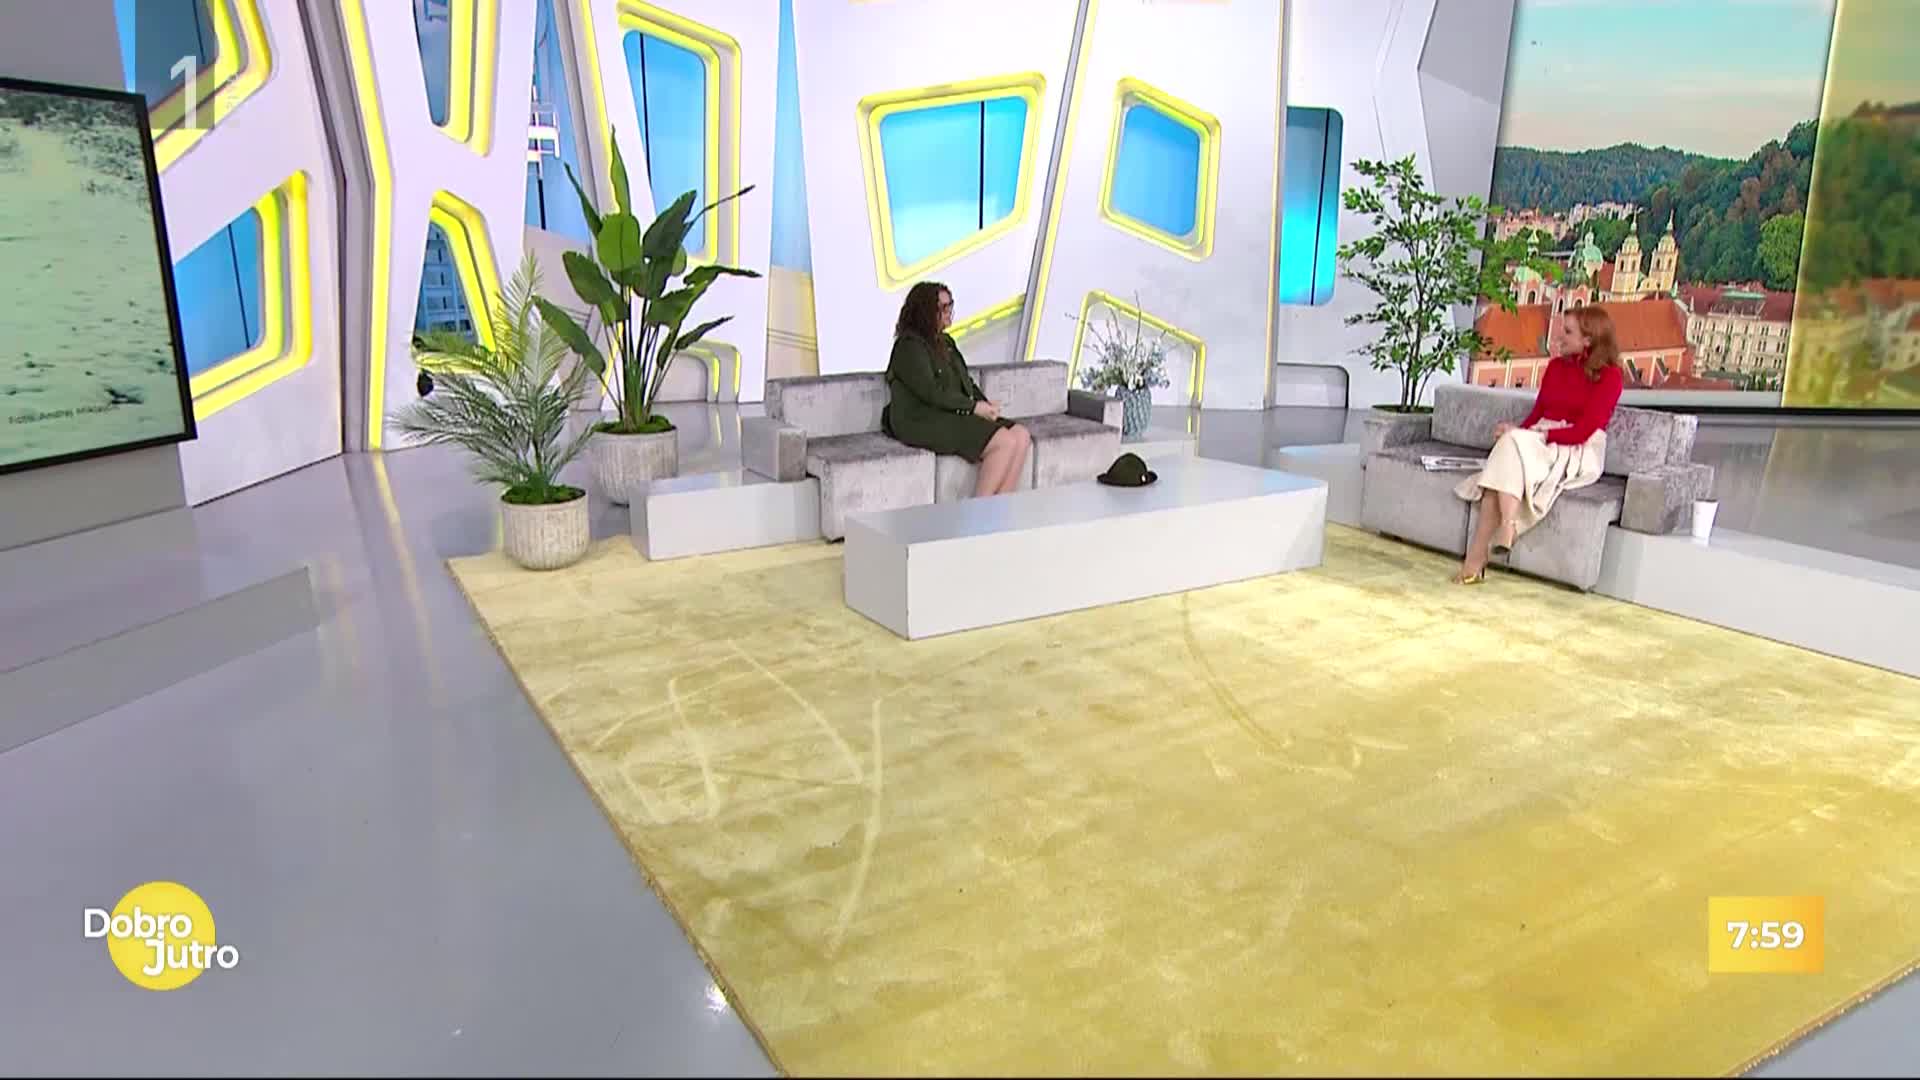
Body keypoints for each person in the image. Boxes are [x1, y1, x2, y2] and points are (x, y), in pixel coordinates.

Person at [1452, 304, 1625, 584]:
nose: (1559, 336)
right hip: (1542, 438)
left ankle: (1476, 559)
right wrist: (1520, 431)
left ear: (1588, 339)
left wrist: (1536, 436)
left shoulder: (1610, 377)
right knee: (1508, 453)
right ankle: (1505, 529)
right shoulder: (1555, 367)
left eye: (1567, 332)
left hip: (1577, 448)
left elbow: (1582, 432)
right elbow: (1538, 414)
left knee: (1505, 459)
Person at [881, 282, 1032, 497]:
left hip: (951, 411)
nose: (949, 312)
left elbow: (966, 382)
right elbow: (932, 392)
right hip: (922, 419)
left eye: (949, 305)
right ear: (925, 312)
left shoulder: (946, 342)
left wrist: (985, 405)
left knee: (1021, 435)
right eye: (943, 308)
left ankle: (1000, 509)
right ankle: (978, 511)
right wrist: (972, 408)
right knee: (1004, 442)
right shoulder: (909, 346)